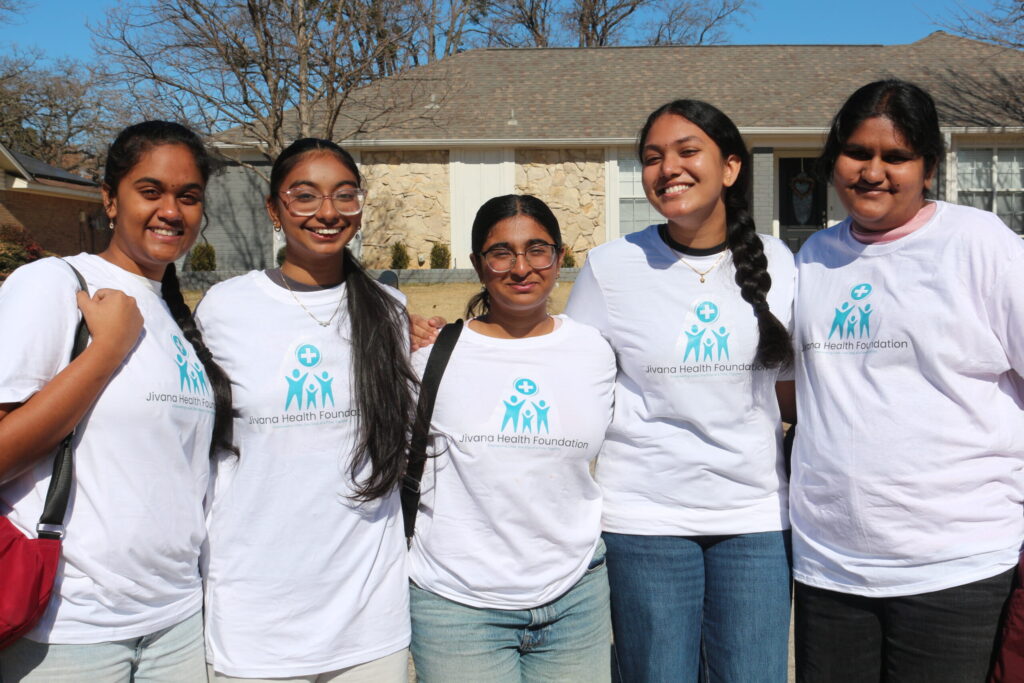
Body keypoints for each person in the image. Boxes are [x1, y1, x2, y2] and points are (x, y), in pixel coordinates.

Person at [789, 79, 1024, 682]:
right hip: (829, 564)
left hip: (956, 564)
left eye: (896, 156)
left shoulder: (981, 245)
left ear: (929, 167)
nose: (873, 172)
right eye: (856, 153)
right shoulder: (813, 257)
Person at [564, 100, 796, 682]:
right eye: (652, 157)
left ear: (731, 167)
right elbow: (566, 377)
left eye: (687, 151)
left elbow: (794, 391)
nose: (668, 168)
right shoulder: (611, 267)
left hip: (755, 515)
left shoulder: (779, 261)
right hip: (647, 518)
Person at [0, 121, 232, 681]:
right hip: (70, 626)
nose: (170, 211)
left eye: (188, 196)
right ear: (109, 199)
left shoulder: (176, 317)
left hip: (176, 620)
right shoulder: (57, 284)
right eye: (150, 191)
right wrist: (106, 351)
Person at [196, 138, 418, 682]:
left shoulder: (390, 310)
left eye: (344, 195)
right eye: (305, 196)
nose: (328, 212)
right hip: (256, 615)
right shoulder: (226, 308)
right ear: (274, 210)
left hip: (368, 618)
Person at [407, 194, 616, 682]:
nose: (521, 268)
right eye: (501, 253)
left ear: (559, 258)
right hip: (458, 604)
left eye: (537, 250)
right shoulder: (430, 356)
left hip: (575, 596)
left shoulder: (595, 351)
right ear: (479, 264)